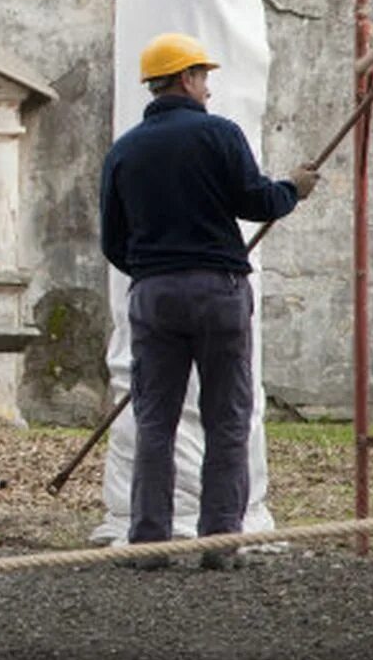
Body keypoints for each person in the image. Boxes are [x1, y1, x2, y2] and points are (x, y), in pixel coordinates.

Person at [99, 32, 319, 570]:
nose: (209, 90)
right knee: (227, 418)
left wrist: (155, 272)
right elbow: (255, 200)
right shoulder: (219, 134)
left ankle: (149, 544)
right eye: (204, 78)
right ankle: (220, 543)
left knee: (155, 421)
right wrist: (294, 187)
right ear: (186, 78)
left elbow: (113, 239)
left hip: (153, 295)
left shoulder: (124, 150)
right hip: (217, 290)